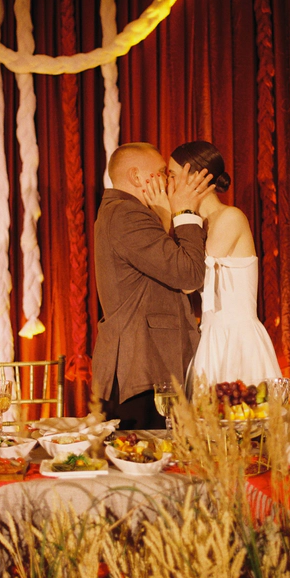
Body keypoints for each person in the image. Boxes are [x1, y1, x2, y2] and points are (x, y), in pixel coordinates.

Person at [92, 141, 214, 429]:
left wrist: (163, 218)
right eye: (161, 173)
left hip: (147, 365)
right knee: (145, 454)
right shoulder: (126, 213)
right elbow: (188, 274)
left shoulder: (128, 212)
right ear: (136, 177)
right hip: (141, 367)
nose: (168, 183)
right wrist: (184, 212)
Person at [144, 139, 282, 389]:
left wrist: (173, 213)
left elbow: (189, 280)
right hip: (210, 336)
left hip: (236, 338)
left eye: (172, 175)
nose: (167, 183)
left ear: (197, 178)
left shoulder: (230, 217)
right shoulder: (194, 225)